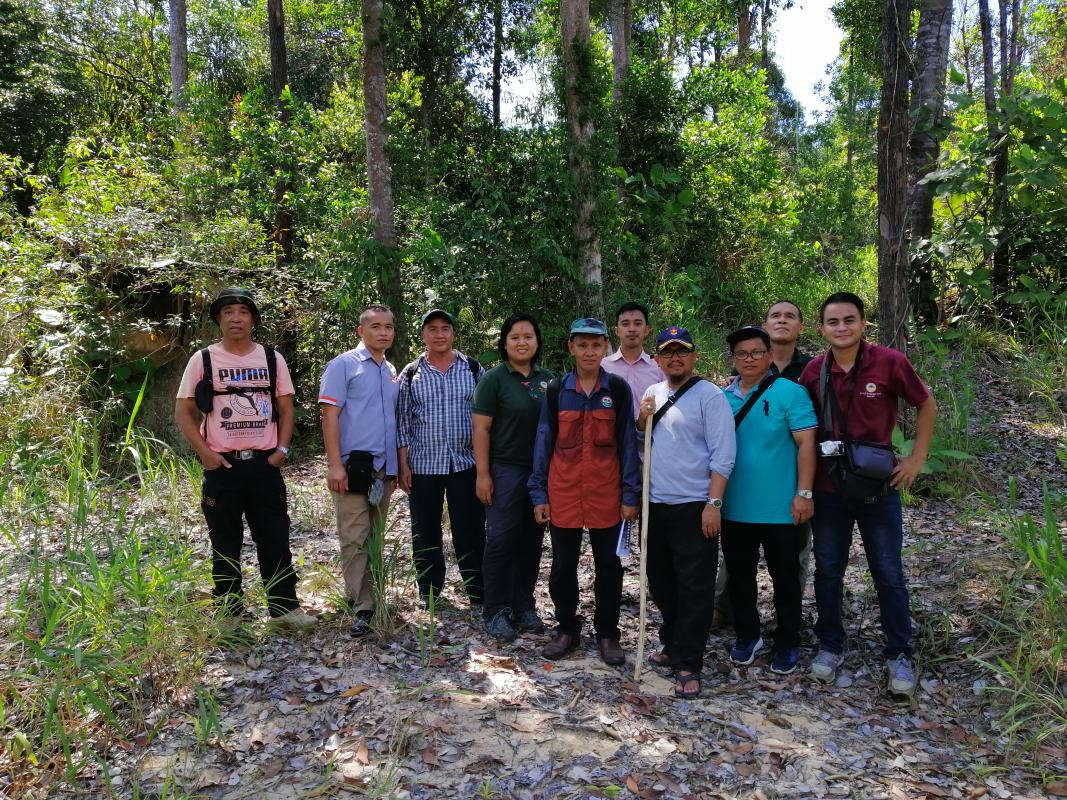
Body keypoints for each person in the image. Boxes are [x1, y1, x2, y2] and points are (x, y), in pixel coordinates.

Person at [798, 292, 936, 699]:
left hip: (879, 486)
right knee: (828, 569)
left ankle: (899, 652)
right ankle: (829, 645)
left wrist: (916, 458)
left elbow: (925, 404)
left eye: (849, 320)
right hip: (828, 488)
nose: (842, 328)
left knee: (888, 570)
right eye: (833, 322)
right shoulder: (812, 372)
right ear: (821, 328)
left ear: (863, 324)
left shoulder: (890, 362)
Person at [175, 287, 316, 631]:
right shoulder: (203, 360)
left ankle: (284, 609)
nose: (235, 318)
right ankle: (229, 614)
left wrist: (281, 451)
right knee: (225, 540)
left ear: (253, 319)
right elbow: (184, 411)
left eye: (242, 311)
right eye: (228, 312)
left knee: (275, 536)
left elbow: (285, 408)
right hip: (222, 467)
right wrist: (206, 454)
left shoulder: (271, 359)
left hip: (263, 465)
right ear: (219, 320)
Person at [529, 318, 641, 666]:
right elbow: (543, 441)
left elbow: (627, 444)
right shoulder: (556, 390)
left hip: (606, 493)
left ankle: (607, 633)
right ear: (571, 348)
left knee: (609, 565)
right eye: (582, 345)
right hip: (563, 491)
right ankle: (566, 629)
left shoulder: (618, 391)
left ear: (605, 346)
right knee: (563, 565)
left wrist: (630, 495)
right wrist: (539, 494)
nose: (589, 351)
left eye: (596, 345)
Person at [637, 326, 735, 697]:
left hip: (694, 505)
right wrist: (642, 418)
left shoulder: (710, 397)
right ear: (658, 359)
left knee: (694, 587)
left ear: (693, 357)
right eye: (667, 353)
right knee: (660, 580)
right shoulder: (652, 392)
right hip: (655, 503)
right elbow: (643, 440)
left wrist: (713, 504)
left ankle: (689, 662)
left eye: (682, 352)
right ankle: (672, 641)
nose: (675, 358)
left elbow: (723, 454)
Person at [719, 326, 817, 676]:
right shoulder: (722, 398)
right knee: (740, 577)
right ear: (732, 359)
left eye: (756, 352)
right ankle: (748, 635)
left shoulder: (791, 393)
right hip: (734, 508)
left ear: (768, 355)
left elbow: (807, 444)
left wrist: (804, 493)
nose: (749, 359)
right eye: (742, 353)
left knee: (786, 578)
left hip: (783, 508)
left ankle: (787, 639)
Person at [318, 304, 400, 637]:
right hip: (354, 468)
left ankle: (374, 595)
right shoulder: (344, 366)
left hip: (383, 470)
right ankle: (362, 606)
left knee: (376, 536)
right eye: (376, 326)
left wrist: (395, 467)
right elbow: (329, 415)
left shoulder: (389, 369)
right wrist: (335, 465)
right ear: (360, 331)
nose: (383, 332)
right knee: (354, 536)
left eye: (389, 327)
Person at [472, 314, 554, 642]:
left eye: (528, 337)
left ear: (537, 342)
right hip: (504, 471)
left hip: (541, 474)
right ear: (504, 343)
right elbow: (481, 428)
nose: (522, 342)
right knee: (501, 540)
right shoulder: (494, 379)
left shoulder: (549, 379)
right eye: (515, 337)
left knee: (532, 541)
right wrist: (483, 474)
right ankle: (495, 609)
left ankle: (524, 605)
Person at [397, 309, 485, 608]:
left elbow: (485, 418)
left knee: (470, 527)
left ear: (453, 334)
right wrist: (402, 464)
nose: (439, 334)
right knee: (425, 530)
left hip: (465, 463)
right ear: (423, 335)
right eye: (432, 329)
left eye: (445, 328)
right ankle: (430, 591)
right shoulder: (411, 373)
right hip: (424, 464)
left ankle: (477, 589)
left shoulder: (473, 369)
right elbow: (403, 422)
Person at [602, 301, 665, 420]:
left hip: (649, 436)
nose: (631, 329)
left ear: (646, 330)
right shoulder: (603, 367)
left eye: (637, 323)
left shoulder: (658, 367)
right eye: (625, 324)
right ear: (617, 331)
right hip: (613, 436)